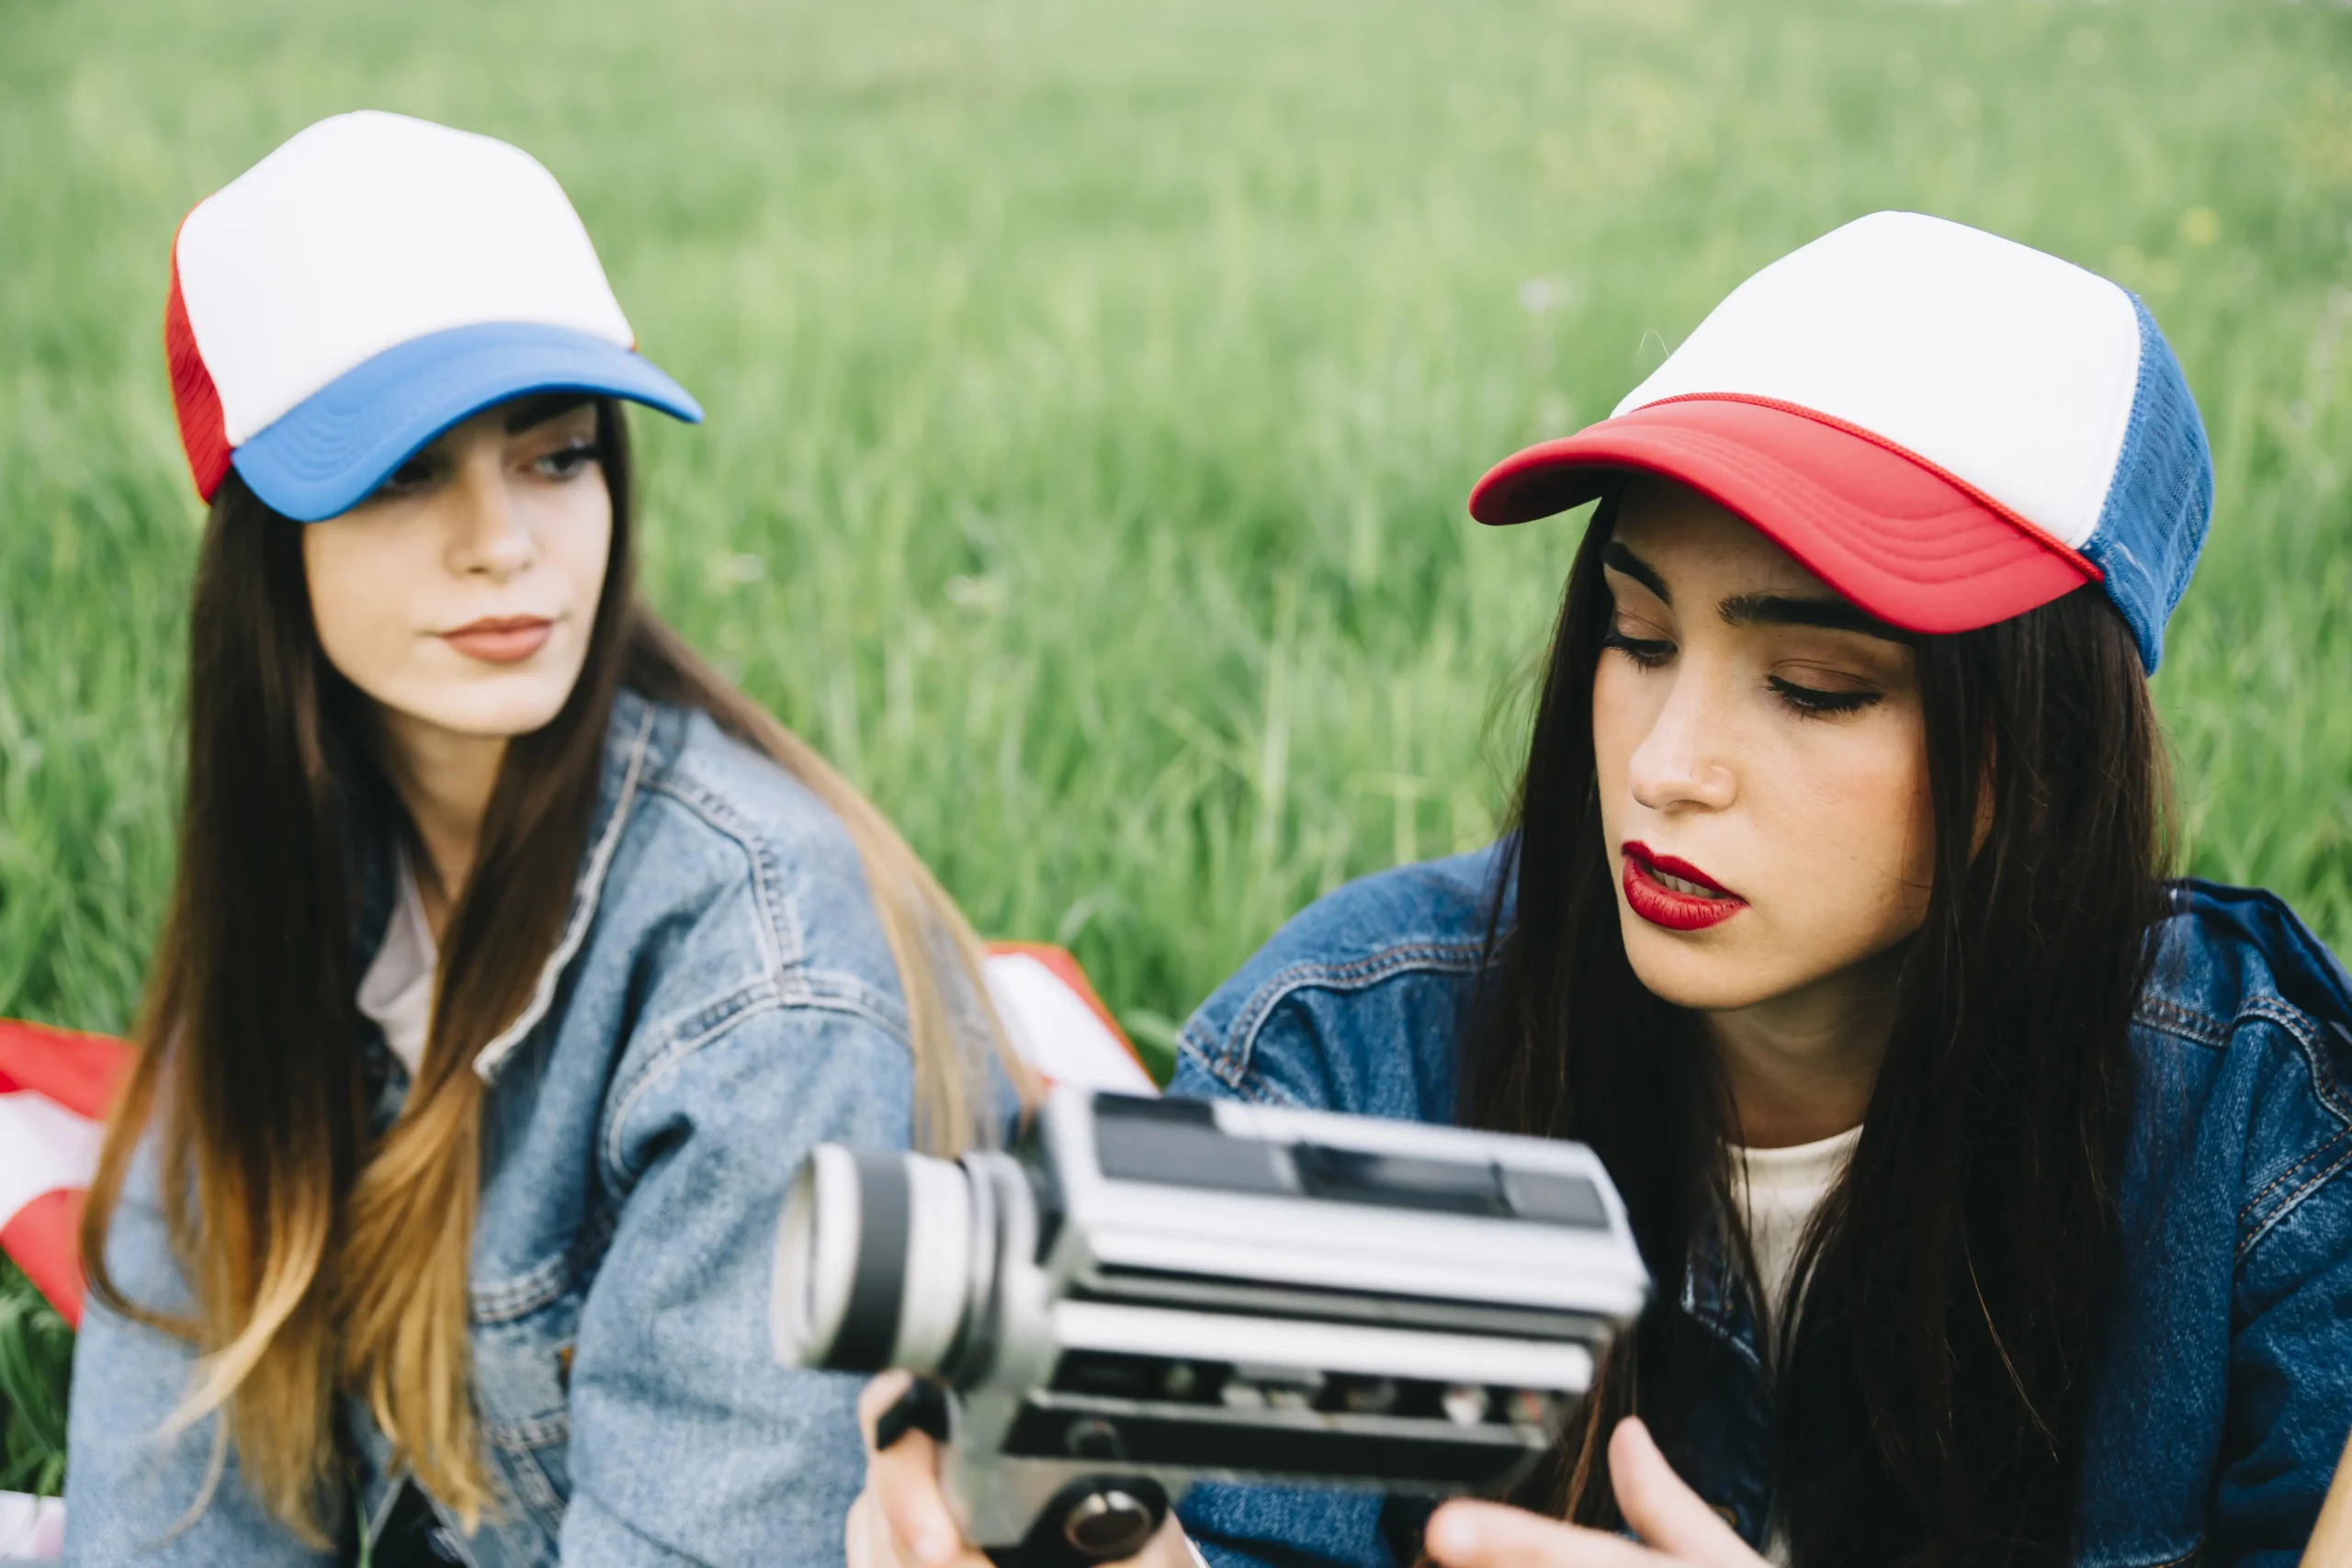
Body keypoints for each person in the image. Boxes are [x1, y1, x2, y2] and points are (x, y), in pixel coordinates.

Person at [853, 213, 2352, 1567]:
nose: (1666, 765)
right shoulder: (1351, 1048)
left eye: (1813, 685)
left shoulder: (2254, 1120)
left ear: (2038, 757)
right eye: (1637, 638)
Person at [65, 111, 1028, 1568]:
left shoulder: (763, 971)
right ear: (267, 539)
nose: (502, 541)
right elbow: (168, 1511)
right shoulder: (287, 901)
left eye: (558, 455)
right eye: (401, 473)